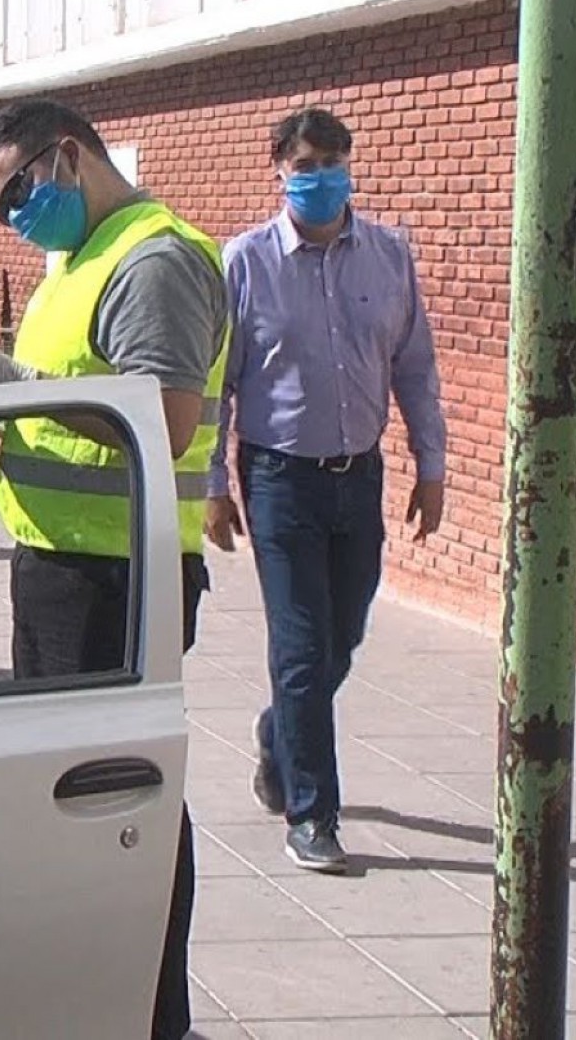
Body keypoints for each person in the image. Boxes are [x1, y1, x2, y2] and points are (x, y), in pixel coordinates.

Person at [0, 98, 228, 1040]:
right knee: (75, 796)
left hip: (118, 580)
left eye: (19, 191)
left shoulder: (153, 260)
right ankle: (89, 992)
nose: (15, 216)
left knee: (122, 805)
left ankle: (150, 1014)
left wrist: (22, 390)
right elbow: (75, 401)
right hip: (63, 566)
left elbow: (165, 419)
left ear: (69, 156)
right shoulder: (78, 258)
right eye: (0, 211)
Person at [206, 108, 447, 874]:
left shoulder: (387, 255)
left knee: (343, 636)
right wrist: (212, 483)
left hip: (359, 476)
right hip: (279, 479)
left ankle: (279, 735)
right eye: (308, 163)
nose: (323, 176)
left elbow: (414, 366)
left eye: (336, 161)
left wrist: (432, 464)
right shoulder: (243, 263)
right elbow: (218, 387)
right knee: (304, 647)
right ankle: (313, 814)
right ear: (279, 167)